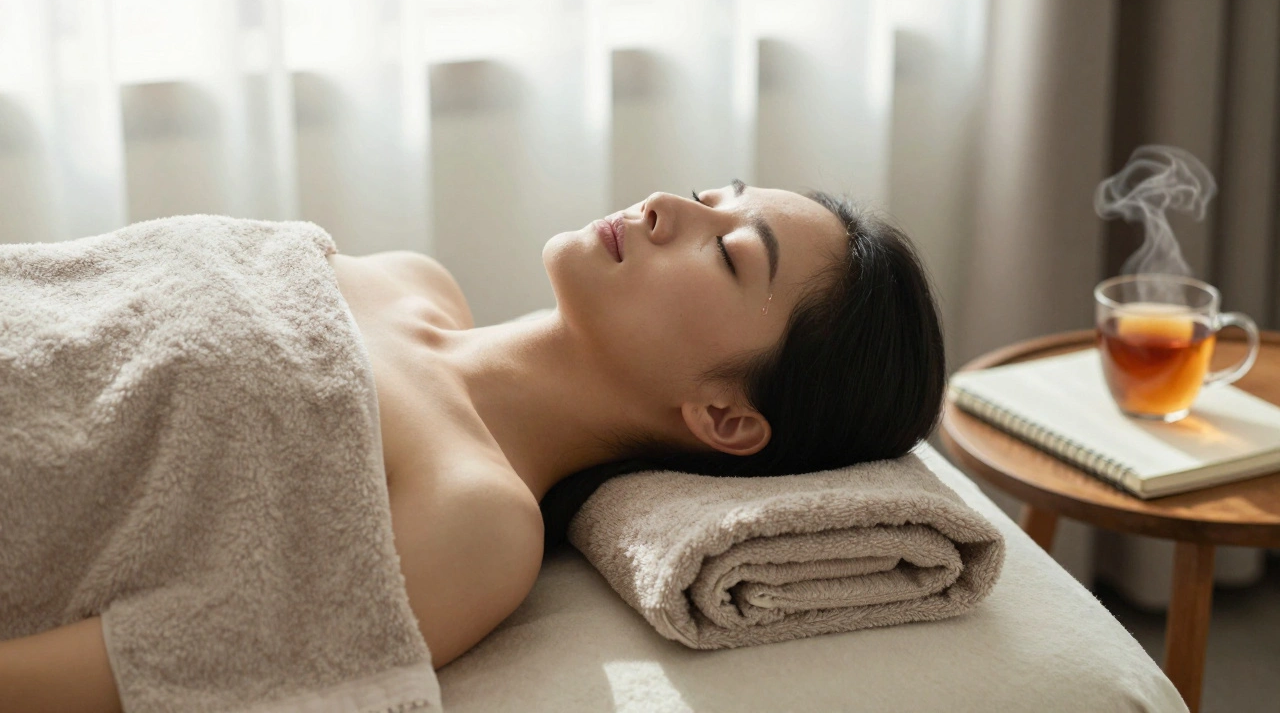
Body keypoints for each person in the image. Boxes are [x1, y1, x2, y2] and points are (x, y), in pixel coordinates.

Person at [0, 180, 946, 711]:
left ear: (726, 418)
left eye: (730, 252)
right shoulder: (412, 279)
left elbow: (168, 662)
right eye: (712, 193)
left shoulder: (481, 522)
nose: (669, 205)